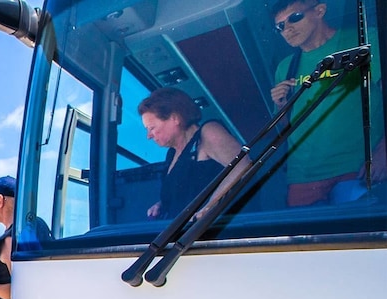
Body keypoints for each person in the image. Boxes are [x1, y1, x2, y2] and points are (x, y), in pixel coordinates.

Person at [269, 0, 385, 206]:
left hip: (357, 167)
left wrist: (384, 150)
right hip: (303, 177)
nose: (287, 29)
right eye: (280, 26)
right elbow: (284, 129)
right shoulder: (286, 67)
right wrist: (281, 105)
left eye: (294, 18)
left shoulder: (364, 40)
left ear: (319, 11)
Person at [138, 87, 248, 220]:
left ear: (175, 118)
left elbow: (242, 166)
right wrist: (162, 204)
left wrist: (210, 207)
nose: (149, 136)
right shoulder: (172, 154)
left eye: (152, 128)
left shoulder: (207, 133)